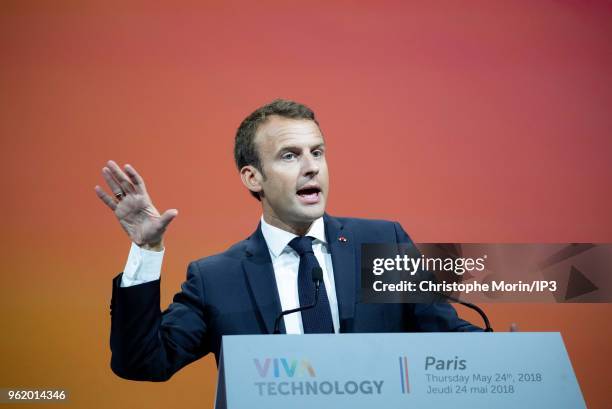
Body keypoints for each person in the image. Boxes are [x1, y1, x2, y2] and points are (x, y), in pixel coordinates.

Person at [95, 99, 481, 382]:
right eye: (289, 155)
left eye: (317, 152)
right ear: (252, 178)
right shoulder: (217, 279)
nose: (311, 165)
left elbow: (446, 336)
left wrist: (513, 359)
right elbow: (143, 362)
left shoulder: (382, 244)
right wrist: (146, 251)